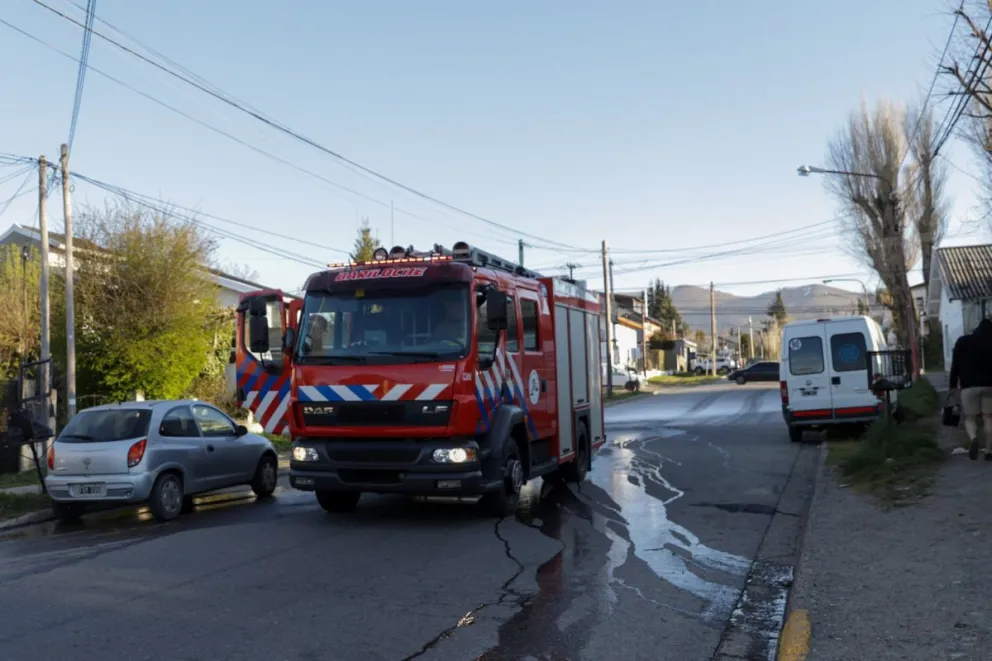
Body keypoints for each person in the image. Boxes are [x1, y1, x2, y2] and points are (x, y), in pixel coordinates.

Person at [949, 317, 992, 460]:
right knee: (988, 417)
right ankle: (988, 451)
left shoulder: (962, 342)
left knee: (970, 418)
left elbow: (955, 364)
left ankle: (973, 438)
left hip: (968, 387)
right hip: (989, 387)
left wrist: (953, 384)